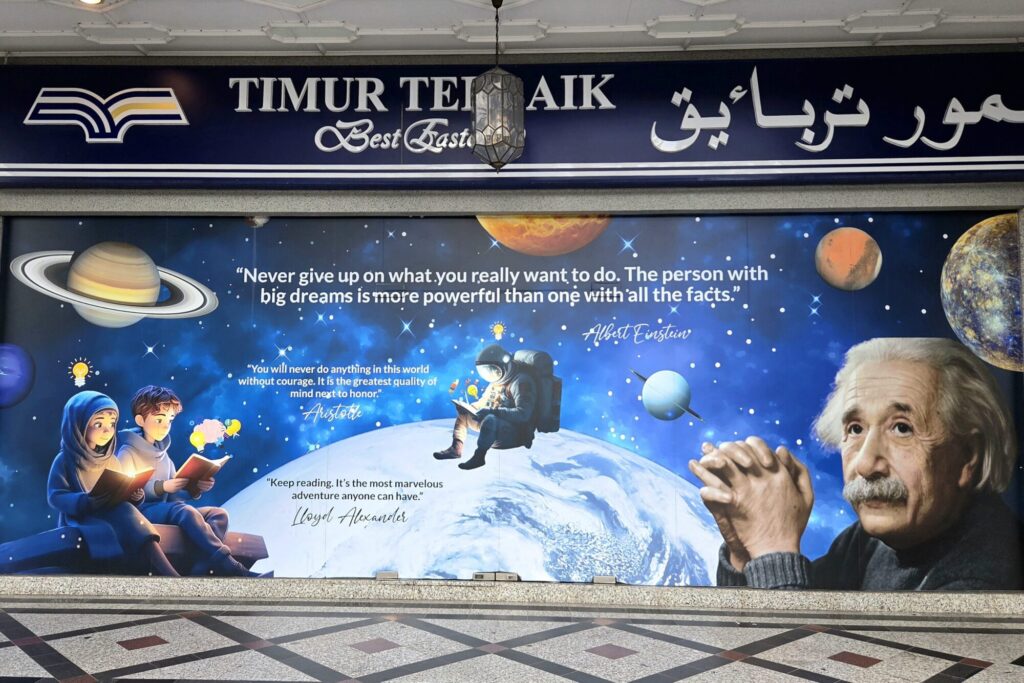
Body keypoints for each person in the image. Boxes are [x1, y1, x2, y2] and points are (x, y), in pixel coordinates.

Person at [690, 337, 1022, 590]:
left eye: (902, 428)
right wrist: (744, 551)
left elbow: (798, 656)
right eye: (855, 429)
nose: (865, 464)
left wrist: (773, 546)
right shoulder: (874, 538)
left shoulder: (985, 581)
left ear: (968, 456)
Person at [117, 385, 257, 577]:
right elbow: (125, 489)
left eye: (169, 420)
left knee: (218, 514)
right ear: (141, 420)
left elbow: (174, 498)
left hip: (167, 510)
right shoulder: (127, 452)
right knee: (185, 511)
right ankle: (229, 564)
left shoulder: (165, 457)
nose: (165, 425)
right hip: (140, 513)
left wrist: (194, 487)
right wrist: (161, 487)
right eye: (159, 419)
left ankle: (200, 569)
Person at [46, 391, 179, 576]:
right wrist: (85, 501)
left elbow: (120, 489)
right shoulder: (65, 460)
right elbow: (55, 496)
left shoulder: (111, 460)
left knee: (125, 509)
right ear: (78, 425)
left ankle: (161, 568)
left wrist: (135, 496)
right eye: (98, 424)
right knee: (124, 512)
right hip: (82, 518)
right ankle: (166, 572)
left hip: (111, 511)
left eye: (111, 424)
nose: (107, 430)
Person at [433, 344, 536, 470]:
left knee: (490, 419)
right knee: (464, 415)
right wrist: (469, 408)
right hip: (494, 428)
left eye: (494, 369)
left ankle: (479, 457)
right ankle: (456, 449)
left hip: (515, 433)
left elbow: (523, 414)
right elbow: (483, 401)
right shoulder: (497, 381)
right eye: (488, 371)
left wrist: (494, 412)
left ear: (505, 365)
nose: (492, 374)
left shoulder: (521, 382)